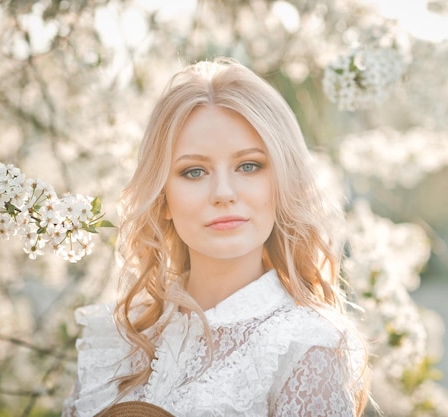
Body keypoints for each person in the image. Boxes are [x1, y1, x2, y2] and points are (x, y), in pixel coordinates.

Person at [62, 57, 370, 417]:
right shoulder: (118, 338)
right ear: (163, 198)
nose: (223, 193)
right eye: (194, 171)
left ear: (282, 183)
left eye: (249, 166)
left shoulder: (307, 346)